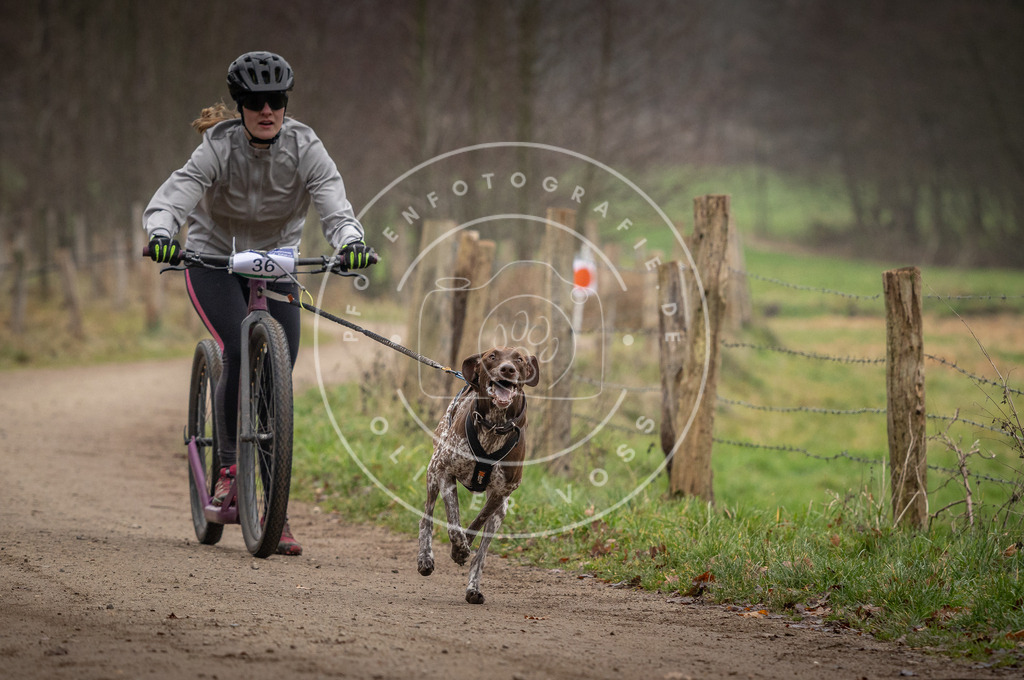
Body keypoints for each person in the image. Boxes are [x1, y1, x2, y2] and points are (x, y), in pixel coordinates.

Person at [143, 51, 375, 555]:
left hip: (275, 262)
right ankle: (228, 468)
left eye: (276, 101)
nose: (267, 110)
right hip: (212, 259)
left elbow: (334, 205)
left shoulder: (306, 147)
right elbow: (177, 193)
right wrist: (161, 232)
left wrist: (351, 242)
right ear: (241, 106)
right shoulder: (217, 147)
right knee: (237, 347)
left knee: (276, 375)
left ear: (286, 103)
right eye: (255, 102)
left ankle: (275, 510)